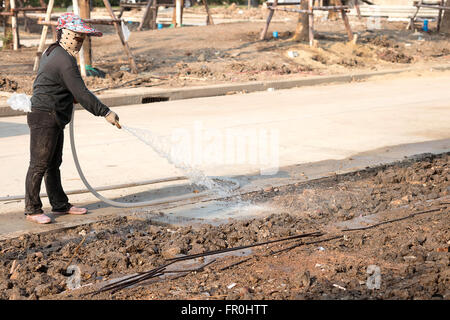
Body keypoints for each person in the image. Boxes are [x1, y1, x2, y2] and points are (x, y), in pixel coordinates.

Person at [25, 13, 121, 224]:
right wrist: (105, 112)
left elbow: (62, 86)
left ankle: (59, 204)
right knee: (39, 164)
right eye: (76, 37)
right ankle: (32, 209)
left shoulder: (54, 51)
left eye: (82, 38)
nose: (79, 41)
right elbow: (82, 92)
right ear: (65, 34)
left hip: (52, 115)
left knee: (53, 164)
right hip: (45, 116)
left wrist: (70, 96)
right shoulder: (64, 59)